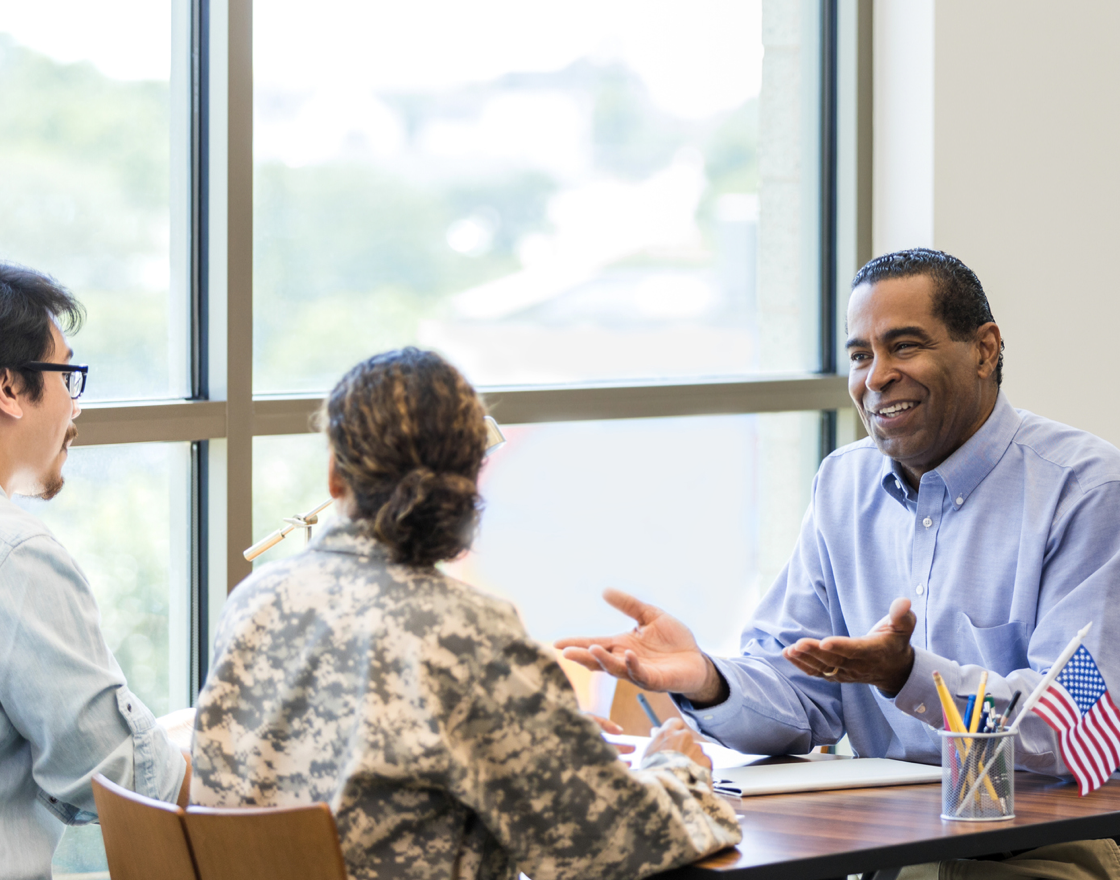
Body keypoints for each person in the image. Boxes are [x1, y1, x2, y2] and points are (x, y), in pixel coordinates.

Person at [557, 248, 1120, 778]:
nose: (875, 378)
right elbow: (801, 694)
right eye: (860, 355)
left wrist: (907, 675)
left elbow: (1072, 724)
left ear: (984, 350)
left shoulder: (1086, 489)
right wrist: (708, 679)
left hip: (1037, 845)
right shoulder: (843, 484)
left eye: (904, 346)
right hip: (885, 844)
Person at [189, 347, 741, 880]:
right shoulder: (468, 635)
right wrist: (679, 771)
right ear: (470, 481)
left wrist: (547, 744)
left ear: (336, 474)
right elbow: (611, 848)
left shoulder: (254, 601)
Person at [0, 263, 189, 880]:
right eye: (66, 376)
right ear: (9, 388)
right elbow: (120, 775)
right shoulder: (18, 555)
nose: (74, 409)